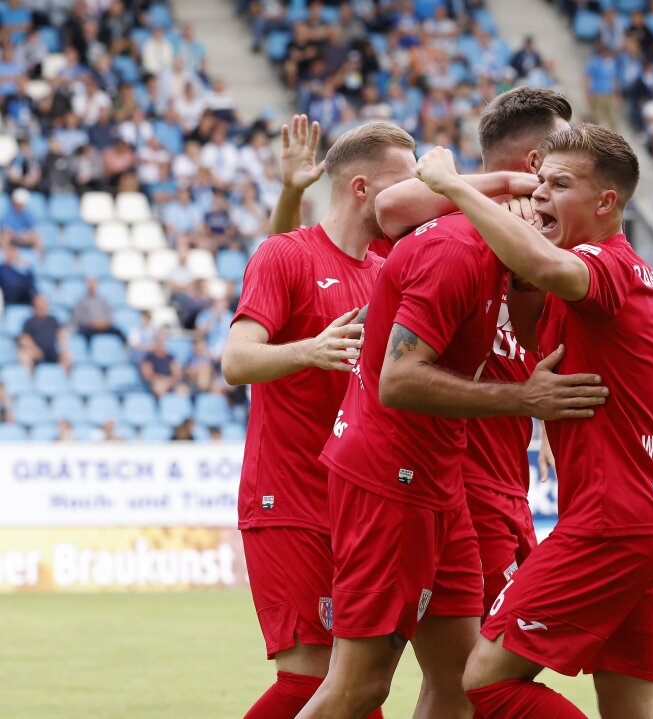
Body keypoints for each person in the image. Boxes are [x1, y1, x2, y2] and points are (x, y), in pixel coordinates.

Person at [305, 91, 607, 719]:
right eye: (560, 170)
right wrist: (524, 399)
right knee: (359, 686)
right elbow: (397, 379)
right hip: (392, 478)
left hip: (441, 485)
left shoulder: (503, 256)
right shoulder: (456, 248)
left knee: (461, 682)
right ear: (534, 173)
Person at [415, 124, 653, 719]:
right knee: (631, 708)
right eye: (540, 181)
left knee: (484, 681)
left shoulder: (604, 263)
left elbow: (549, 268)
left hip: (610, 521)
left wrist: (454, 188)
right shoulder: (614, 283)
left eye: (560, 184)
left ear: (605, 202)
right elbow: (541, 312)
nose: (540, 195)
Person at [220, 117, 418, 719]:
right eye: (402, 182)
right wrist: (308, 350)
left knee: (358, 688)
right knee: (311, 684)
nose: (414, 195)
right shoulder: (287, 254)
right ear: (362, 188)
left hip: (360, 506)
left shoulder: (387, 264)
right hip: (290, 500)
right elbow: (235, 360)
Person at [373, 87, 569, 616]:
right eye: (562, 152)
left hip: (508, 479)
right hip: (463, 481)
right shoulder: (449, 226)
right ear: (535, 162)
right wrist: (497, 187)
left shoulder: (544, 234)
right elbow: (387, 206)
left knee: (466, 683)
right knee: (488, 676)